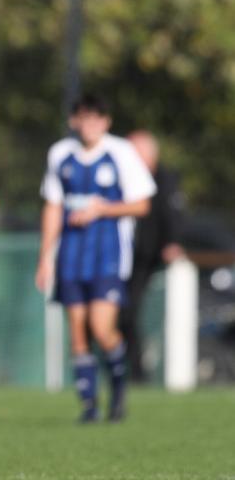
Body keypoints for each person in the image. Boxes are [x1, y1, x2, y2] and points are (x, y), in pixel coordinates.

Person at [35, 94, 155, 423]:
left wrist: (103, 209)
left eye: (96, 119)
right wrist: (45, 256)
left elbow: (141, 204)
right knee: (77, 330)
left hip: (108, 256)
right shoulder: (61, 154)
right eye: (83, 118)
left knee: (102, 329)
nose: (90, 125)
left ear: (106, 122)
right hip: (70, 255)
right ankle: (89, 406)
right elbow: (53, 206)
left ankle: (118, 390)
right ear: (74, 121)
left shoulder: (121, 152)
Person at [120, 130, 186, 384]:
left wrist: (172, 242)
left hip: (147, 258)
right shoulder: (124, 177)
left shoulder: (164, 180)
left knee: (130, 313)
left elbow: (173, 215)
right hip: (124, 255)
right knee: (120, 315)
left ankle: (138, 374)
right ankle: (128, 370)